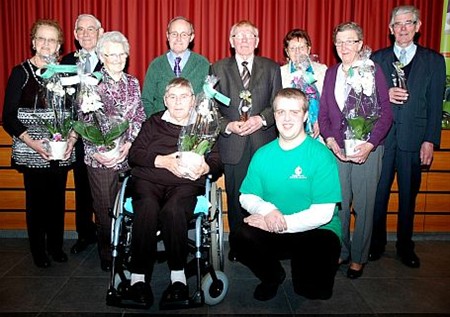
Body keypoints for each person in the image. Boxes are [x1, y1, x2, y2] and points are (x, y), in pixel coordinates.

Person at [231, 88, 342, 301]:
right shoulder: (263, 154)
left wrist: (279, 223)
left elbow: (323, 214)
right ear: (274, 116)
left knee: (312, 292)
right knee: (240, 236)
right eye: (281, 112)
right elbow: (246, 196)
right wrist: (268, 211)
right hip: (274, 226)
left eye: (294, 111)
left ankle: (304, 267)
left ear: (305, 115)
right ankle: (272, 276)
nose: (287, 118)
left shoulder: (321, 156)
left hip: (316, 231)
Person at [125, 78, 223, 307]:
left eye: (184, 97)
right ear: (165, 101)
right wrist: (162, 161)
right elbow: (135, 154)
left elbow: (218, 162)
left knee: (174, 211)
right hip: (149, 180)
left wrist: (206, 167)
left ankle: (178, 279)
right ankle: (138, 279)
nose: (178, 102)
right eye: (173, 97)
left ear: (193, 100)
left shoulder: (204, 124)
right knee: (147, 207)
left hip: (185, 185)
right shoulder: (153, 122)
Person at [369, 5, 446, 268]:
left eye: (408, 23)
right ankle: (375, 245)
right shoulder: (377, 59)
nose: (402, 28)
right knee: (378, 196)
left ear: (418, 26)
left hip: (415, 140)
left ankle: (405, 247)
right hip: (383, 138)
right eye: (397, 24)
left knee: (408, 196)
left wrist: (430, 140)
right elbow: (366, 100)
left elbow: (436, 104)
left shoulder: (434, 60)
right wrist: (384, 94)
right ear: (390, 29)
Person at [318, 22, 392, 279]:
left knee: (363, 206)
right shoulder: (331, 73)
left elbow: (386, 113)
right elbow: (324, 114)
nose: (344, 47)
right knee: (340, 205)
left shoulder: (373, 70)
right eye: (339, 42)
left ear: (360, 44)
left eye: (350, 41)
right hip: (337, 151)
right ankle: (343, 249)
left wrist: (370, 145)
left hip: (367, 152)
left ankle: (359, 257)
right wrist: (330, 140)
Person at [2, 19, 77, 268]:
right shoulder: (20, 72)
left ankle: (56, 246)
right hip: (31, 149)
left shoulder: (66, 74)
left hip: (60, 147)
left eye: (52, 39)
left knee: (57, 200)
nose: (47, 44)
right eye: (42, 39)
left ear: (59, 45)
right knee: (36, 202)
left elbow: (77, 111)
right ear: (34, 42)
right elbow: (8, 116)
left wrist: (72, 139)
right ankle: (38, 251)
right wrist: (32, 143)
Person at [211, 20, 282, 261]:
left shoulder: (272, 68)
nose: (243, 40)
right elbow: (211, 110)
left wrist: (261, 120)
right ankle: (239, 246)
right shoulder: (217, 69)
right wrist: (227, 126)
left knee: (266, 196)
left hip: (263, 144)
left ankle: (266, 244)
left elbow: (277, 105)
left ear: (257, 41)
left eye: (249, 36)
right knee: (236, 196)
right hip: (233, 145)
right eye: (238, 36)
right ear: (231, 41)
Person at [77, 31, 146, 272]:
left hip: (127, 156)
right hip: (100, 159)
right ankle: (108, 255)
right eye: (111, 54)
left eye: (122, 54)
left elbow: (139, 115)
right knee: (105, 210)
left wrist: (129, 144)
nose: (117, 58)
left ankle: (126, 248)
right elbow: (84, 121)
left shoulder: (133, 82)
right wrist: (98, 150)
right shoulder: (91, 82)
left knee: (127, 207)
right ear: (101, 56)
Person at [61, 13, 104, 255]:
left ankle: (107, 233)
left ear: (100, 32)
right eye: (81, 30)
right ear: (76, 35)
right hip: (76, 135)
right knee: (82, 188)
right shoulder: (66, 60)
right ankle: (84, 234)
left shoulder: (110, 56)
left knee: (107, 189)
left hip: (105, 135)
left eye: (91, 29)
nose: (86, 34)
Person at [141, 16, 210, 117]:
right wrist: (155, 124)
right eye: (174, 34)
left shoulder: (203, 64)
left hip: (192, 128)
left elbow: (208, 100)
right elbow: (146, 100)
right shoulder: (156, 65)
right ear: (167, 36)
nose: (178, 39)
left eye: (184, 35)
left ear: (191, 37)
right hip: (161, 128)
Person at [280, 28, 327, 138]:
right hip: (289, 130)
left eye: (301, 47)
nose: (297, 52)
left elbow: (328, 101)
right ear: (287, 51)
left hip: (320, 131)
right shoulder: (280, 73)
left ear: (309, 49)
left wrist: (322, 122)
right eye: (292, 48)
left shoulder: (322, 70)